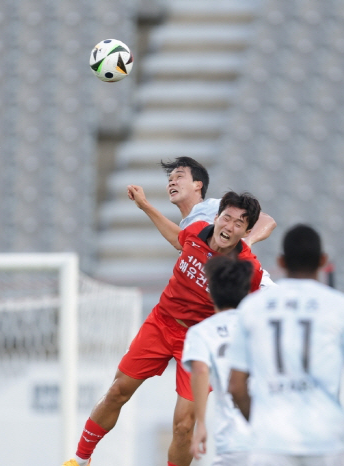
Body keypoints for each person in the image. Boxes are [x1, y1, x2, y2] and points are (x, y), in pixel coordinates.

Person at [71, 192, 265, 466]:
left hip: (198, 341)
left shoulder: (249, 268)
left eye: (239, 223)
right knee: (117, 391)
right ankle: (80, 460)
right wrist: (146, 206)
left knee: (184, 426)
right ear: (217, 217)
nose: (229, 227)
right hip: (161, 323)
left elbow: (252, 310)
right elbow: (178, 237)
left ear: (246, 231)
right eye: (226, 218)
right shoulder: (197, 232)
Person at [227, 224, 344, 466]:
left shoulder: (254, 308)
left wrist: (261, 425)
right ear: (323, 260)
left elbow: (236, 386)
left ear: (281, 261)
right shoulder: (342, 307)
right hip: (325, 441)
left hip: (270, 443)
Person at [127, 156, 277, 284]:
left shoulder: (214, 206)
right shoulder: (186, 226)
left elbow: (267, 220)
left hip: (258, 290)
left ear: (198, 185)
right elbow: (179, 240)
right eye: (170, 180)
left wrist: (246, 242)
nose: (172, 182)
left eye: (179, 177)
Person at [181, 256, 254, 466]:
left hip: (233, 442)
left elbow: (201, 370)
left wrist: (201, 424)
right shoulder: (260, 326)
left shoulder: (202, 332)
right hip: (271, 440)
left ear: (211, 292)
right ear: (246, 292)